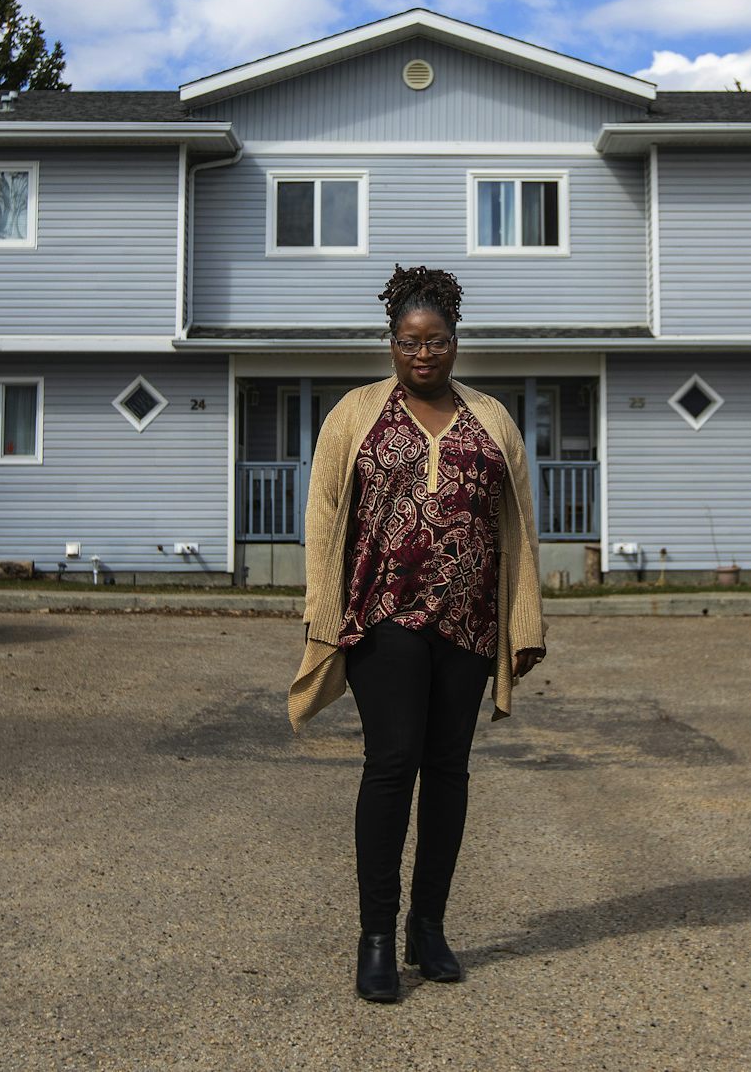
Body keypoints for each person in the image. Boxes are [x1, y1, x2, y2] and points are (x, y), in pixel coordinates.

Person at [288, 264, 548, 1004]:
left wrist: (523, 619)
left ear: (456, 342)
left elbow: (521, 527)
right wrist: (323, 606)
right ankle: (375, 938)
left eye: (437, 341)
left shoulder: (493, 419)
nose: (424, 354)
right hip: (382, 615)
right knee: (391, 764)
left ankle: (427, 929)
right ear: (391, 343)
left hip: (468, 623)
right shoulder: (355, 415)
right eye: (410, 341)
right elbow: (323, 514)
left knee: (451, 770)